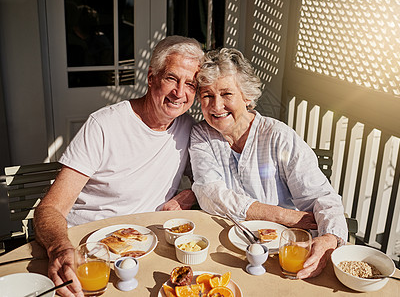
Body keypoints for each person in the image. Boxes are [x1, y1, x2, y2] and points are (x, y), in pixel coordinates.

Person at [34, 36, 204, 296]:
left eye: (190, 84)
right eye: (172, 78)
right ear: (151, 77)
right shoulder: (104, 126)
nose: (179, 93)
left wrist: (190, 194)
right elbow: (50, 208)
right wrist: (59, 248)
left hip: (146, 251)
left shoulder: (188, 128)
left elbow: (211, 180)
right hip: (89, 251)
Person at [189, 48, 348, 279]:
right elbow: (209, 192)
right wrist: (281, 215)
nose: (216, 105)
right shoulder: (201, 135)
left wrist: (330, 238)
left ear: (247, 96)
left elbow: (321, 197)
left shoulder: (278, 136)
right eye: (207, 96)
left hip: (282, 253)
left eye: (226, 94)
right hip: (224, 250)